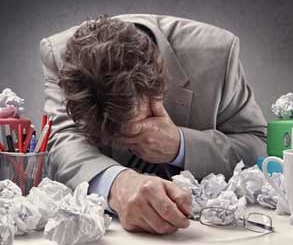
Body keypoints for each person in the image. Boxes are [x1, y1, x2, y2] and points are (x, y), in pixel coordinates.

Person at [40, 14, 267, 234]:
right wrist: (118, 184)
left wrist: (181, 145)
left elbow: (258, 144)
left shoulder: (218, 54)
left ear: (158, 90)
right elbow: (62, 140)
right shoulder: (59, 55)